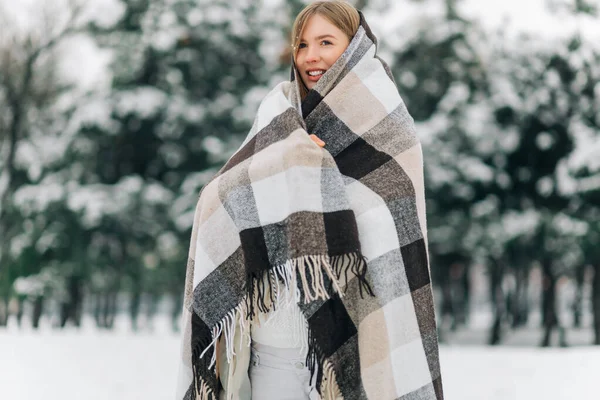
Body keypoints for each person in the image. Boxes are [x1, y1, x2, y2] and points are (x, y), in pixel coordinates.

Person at [176, 2, 444, 400]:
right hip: (272, 358)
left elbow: (387, 230)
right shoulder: (279, 113)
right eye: (301, 45)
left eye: (325, 42)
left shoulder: (390, 129)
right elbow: (218, 198)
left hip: (353, 356)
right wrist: (288, 160)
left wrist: (320, 175)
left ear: (354, 48)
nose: (310, 57)